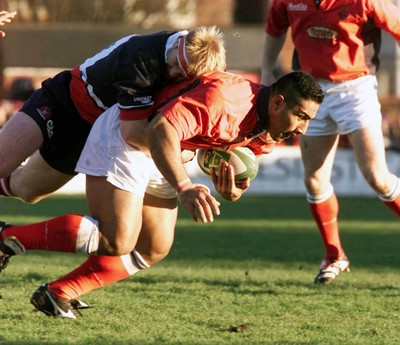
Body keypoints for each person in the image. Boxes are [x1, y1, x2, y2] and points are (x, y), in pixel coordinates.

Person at [0, 70, 324, 318]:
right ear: (279, 101)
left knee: (154, 246)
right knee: (117, 238)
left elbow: (227, 166)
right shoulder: (225, 99)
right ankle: (8, 237)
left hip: (168, 150)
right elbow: (160, 129)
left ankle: (58, 293)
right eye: (302, 117)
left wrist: (233, 191)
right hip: (130, 134)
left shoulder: (271, 129)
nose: (303, 129)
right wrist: (184, 186)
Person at [0, 25, 226, 203]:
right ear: (179, 43)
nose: (174, 74)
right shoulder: (142, 57)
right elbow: (133, 134)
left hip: (90, 130)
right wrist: (179, 152)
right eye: (176, 65)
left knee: (27, 191)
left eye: (183, 74)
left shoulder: (203, 70)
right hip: (63, 101)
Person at [261, 0, 400, 285]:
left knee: (377, 177)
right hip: (311, 90)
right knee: (314, 180)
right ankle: (334, 255)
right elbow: (275, 29)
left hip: (356, 87)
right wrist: (265, 70)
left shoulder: (365, 2)